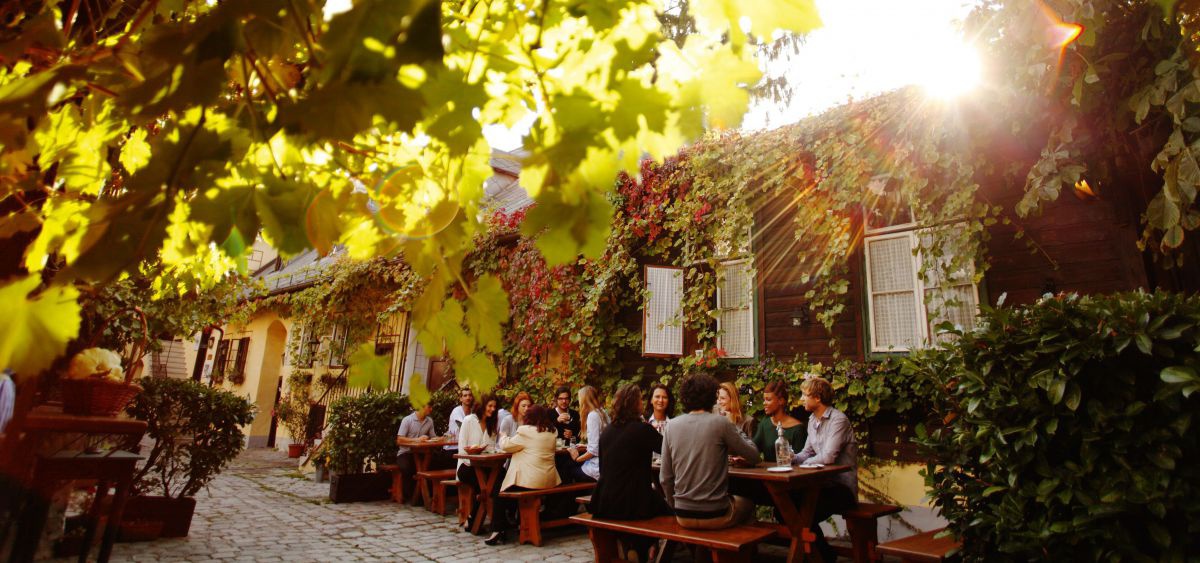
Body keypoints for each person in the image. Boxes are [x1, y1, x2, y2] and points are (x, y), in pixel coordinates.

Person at [660, 373, 760, 530]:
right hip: (716, 512)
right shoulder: (720, 423)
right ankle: (740, 552)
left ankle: (705, 553)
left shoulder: (671, 426)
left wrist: (676, 506)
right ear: (712, 397)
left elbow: (665, 478)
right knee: (748, 503)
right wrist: (731, 424)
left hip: (682, 514)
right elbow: (754, 456)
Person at [589, 383, 671, 561]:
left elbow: (603, 468)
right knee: (670, 512)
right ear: (635, 404)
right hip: (634, 500)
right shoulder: (642, 430)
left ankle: (636, 547)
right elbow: (669, 450)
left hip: (604, 501)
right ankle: (648, 547)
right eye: (640, 400)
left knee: (645, 506)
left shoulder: (607, 432)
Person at [791, 376, 858, 562]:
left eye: (805, 395)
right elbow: (806, 452)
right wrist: (793, 458)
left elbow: (828, 457)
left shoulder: (838, 421)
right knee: (787, 510)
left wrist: (803, 464)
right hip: (821, 486)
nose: (802, 399)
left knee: (802, 515)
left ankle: (822, 556)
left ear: (817, 398)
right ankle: (822, 554)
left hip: (842, 488)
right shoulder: (812, 420)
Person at [484, 405, 561, 546]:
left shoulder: (526, 432)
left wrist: (503, 435)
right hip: (549, 480)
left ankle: (498, 529)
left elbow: (506, 445)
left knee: (498, 491)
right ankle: (517, 523)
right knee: (503, 486)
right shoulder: (552, 432)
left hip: (531, 481)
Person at [456, 393, 499, 533]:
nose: (493, 409)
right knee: (485, 486)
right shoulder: (469, 421)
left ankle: (473, 519)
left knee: (500, 478)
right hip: (466, 466)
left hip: (486, 467)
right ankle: (488, 522)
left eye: (495, 407)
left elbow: (491, 448)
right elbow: (462, 449)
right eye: (490, 406)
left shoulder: (492, 424)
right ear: (482, 406)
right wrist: (474, 456)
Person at [751, 380, 805, 463]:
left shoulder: (797, 429)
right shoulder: (764, 424)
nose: (764, 403)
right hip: (766, 474)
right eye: (764, 400)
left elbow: (801, 460)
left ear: (781, 401)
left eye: (768, 400)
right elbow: (752, 450)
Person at [563, 386, 606, 482]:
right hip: (606, 465)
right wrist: (586, 445)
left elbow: (594, 451)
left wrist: (577, 458)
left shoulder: (592, 415)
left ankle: (570, 496)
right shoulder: (603, 412)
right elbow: (601, 442)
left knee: (566, 467)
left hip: (597, 468)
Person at [395, 402, 437, 498]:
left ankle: (424, 496)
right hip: (405, 453)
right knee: (407, 467)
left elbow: (433, 437)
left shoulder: (429, 421)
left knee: (432, 465)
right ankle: (412, 496)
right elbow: (399, 439)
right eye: (429, 407)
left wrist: (440, 438)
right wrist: (417, 440)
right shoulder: (407, 420)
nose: (431, 409)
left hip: (422, 453)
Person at [446, 386, 475, 453]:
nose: (468, 397)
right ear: (460, 399)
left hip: (465, 447)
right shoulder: (457, 411)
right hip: (452, 448)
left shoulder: (472, 412)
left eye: (470, 395)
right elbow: (464, 427)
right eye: (465, 396)